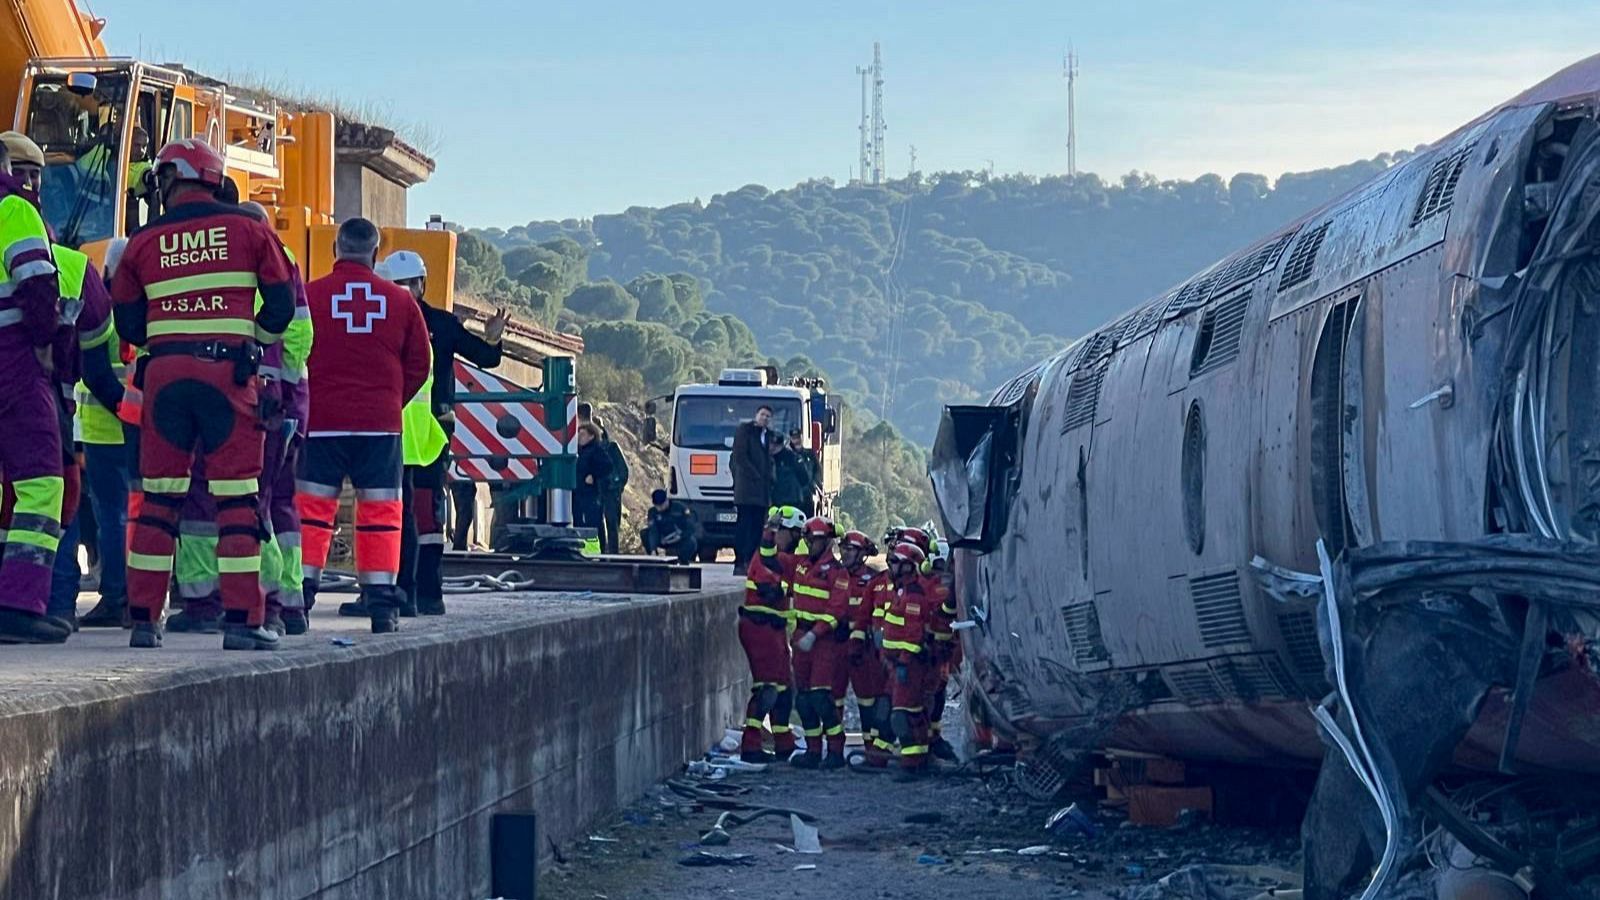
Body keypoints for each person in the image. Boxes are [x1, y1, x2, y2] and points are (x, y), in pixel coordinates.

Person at [110, 139, 295, 650]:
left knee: (158, 501)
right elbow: (282, 304)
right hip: (228, 377)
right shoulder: (249, 230)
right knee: (237, 502)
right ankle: (242, 622)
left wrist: (170, 339)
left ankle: (144, 621)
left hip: (165, 379)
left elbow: (128, 322)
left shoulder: (143, 241)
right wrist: (251, 342)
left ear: (172, 179)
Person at [297, 218, 430, 634]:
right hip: (380, 428)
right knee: (381, 516)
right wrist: (388, 401)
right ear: (375, 254)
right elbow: (420, 364)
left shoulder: (310, 296)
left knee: (311, 514)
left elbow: (292, 352)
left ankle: (298, 604)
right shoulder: (402, 302)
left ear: (335, 250)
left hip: (321, 424)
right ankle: (382, 609)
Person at [377, 250, 505, 617]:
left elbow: (486, 357)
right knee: (407, 512)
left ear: (421, 284)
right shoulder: (423, 323)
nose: (406, 289)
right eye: (399, 284)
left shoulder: (419, 324)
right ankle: (410, 592)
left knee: (415, 513)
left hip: (416, 432)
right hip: (408, 430)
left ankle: (417, 593)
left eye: (409, 283)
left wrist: (492, 340)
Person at [737, 505, 805, 764]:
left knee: (784, 688)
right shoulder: (764, 558)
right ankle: (751, 745)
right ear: (781, 532)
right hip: (759, 628)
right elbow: (770, 590)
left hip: (774, 630)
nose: (797, 540)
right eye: (794, 534)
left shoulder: (784, 559)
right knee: (767, 688)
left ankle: (784, 743)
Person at [787, 515, 853, 769]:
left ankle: (835, 750)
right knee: (803, 699)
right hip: (801, 638)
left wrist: (815, 633)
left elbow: (837, 610)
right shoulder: (802, 565)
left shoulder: (838, 573)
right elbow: (773, 557)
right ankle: (813, 750)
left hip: (823, 642)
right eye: (807, 540)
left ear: (826, 542)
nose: (809, 545)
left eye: (813, 540)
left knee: (820, 697)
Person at [879, 541, 938, 781]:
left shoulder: (913, 596)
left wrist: (903, 662)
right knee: (900, 712)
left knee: (903, 716)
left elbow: (914, 636)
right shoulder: (901, 591)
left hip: (910, 665)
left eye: (895, 562)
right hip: (897, 664)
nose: (890, 565)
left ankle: (913, 763)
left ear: (908, 566)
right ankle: (913, 760)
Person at [840, 530, 895, 767]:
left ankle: (877, 751)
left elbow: (866, 617)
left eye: (850, 549)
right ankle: (861, 748)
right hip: (838, 645)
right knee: (845, 700)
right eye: (843, 549)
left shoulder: (872, 580)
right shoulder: (836, 575)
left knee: (875, 700)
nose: (844, 553)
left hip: (867, 651)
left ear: (862, 554)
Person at [729, 405, 778, 575]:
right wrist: (756, 476)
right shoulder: (745, 431)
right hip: (747, 491)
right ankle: (740, 561)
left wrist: (769, 479)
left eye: (768, 416)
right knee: (744, 526)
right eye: (762, 414)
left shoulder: (769, 436)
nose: (765, 418)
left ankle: (752, 562)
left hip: (762, 494)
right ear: (756, 415)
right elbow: (740, 456)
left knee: (757, 528)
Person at [593, 414, 629, 555]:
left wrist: (616, 487)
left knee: (612, 524)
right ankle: (601, 553)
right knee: (597, 525)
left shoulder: (611, 448)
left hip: (610, 492)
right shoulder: (588, 449)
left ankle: (614, 554)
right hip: (595, 492)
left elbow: (623, 471)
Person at [771, 427, 819, 516]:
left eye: (798, 437)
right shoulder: (770, 459)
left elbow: (813, 473)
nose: (796, 440)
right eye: (794, 438)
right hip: (777, 501)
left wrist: (812, 486)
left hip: (796, 499)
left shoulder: (798, 456)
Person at [641, 489, 698, 563]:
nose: (659, 508)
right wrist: (653, 549)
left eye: (661, 505)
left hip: (679, 538)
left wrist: (681, 536)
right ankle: (655, 559)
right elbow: (653, 531)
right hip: (663, 539)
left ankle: (682, 560)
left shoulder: (679, 507)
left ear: (666, 501)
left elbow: (691, 526)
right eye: (657, 506)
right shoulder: (653, 512)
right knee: (644, 533)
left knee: (691, 542)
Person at [573, 423, 610, 533]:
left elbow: (607, 466)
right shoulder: (579, 451)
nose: (579, 437)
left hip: (590, 494)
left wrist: (593, 475)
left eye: (583, 434)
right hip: (578, 493)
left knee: (593, 523)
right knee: (578, 523)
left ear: (591, 436)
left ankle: (594, 544)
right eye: (578, 434)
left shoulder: (596, 450)